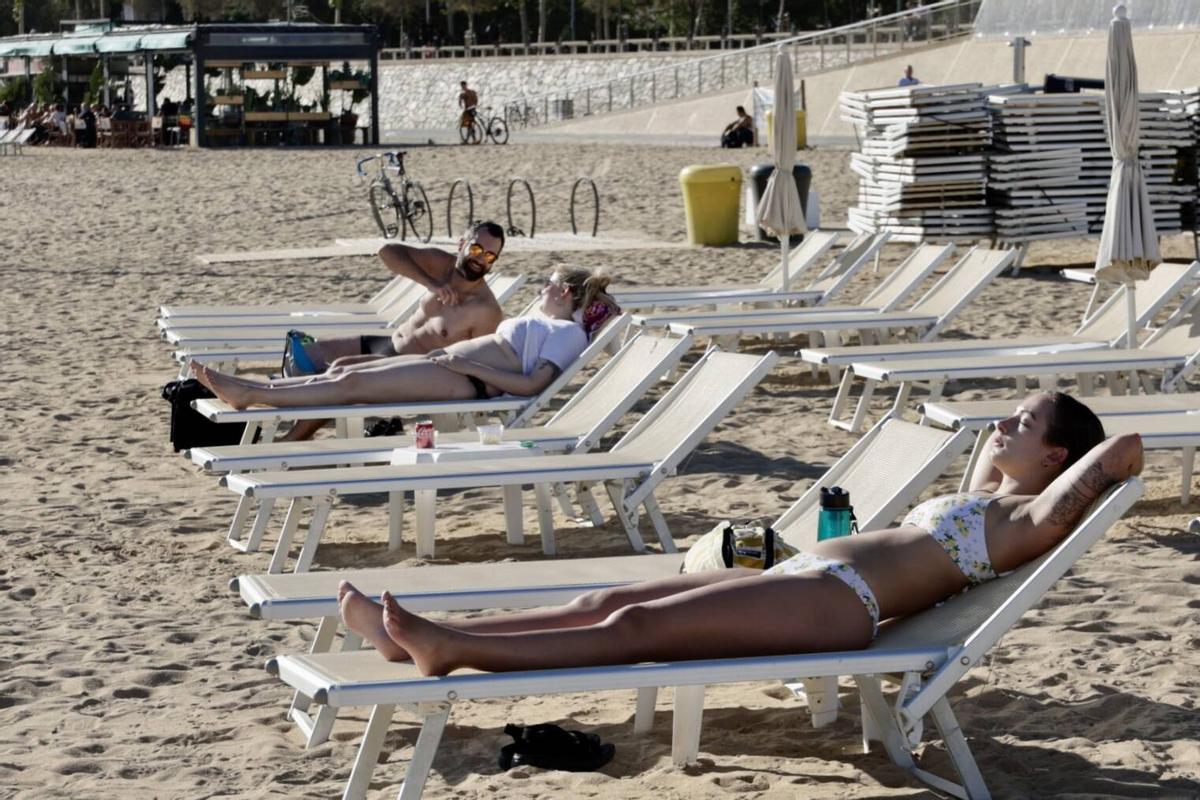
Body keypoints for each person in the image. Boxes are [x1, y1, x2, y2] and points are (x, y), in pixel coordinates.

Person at [335, 392, 1143, 676]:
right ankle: (429, 638)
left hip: (841, 605)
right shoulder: (990, 499)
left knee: (636, 627)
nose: (1000, 422)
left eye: (1022, 420)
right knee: (606, 595)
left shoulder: (1025, 520)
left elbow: (1122, 451)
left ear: (1058, 455)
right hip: (805, 578)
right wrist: (1005, 446)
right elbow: (986, 468)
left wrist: (1053, 462)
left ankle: (450, 649)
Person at [190, 266, 620, 413]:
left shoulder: (567, 334)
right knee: (344, 369)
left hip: (465, 382)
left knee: (350, 386)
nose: (542, 287)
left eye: (549, 282)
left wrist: (466, 365)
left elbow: (532, 386)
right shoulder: (551, 325)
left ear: (564, 293)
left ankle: (251, 394)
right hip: (451, 367)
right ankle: (255, 389)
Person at [266, 221, 509, 441]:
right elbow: (388, 252)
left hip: (408, 366)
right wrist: (430, 283)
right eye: (477, 249)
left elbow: (480, 366)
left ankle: (294, 434)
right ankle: (290, 408)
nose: (481, 260)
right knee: (305, 351)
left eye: (490, 256)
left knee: (340, 370)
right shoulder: (441, 265)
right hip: (389, 343)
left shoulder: (485, 309)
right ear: (462, 243)